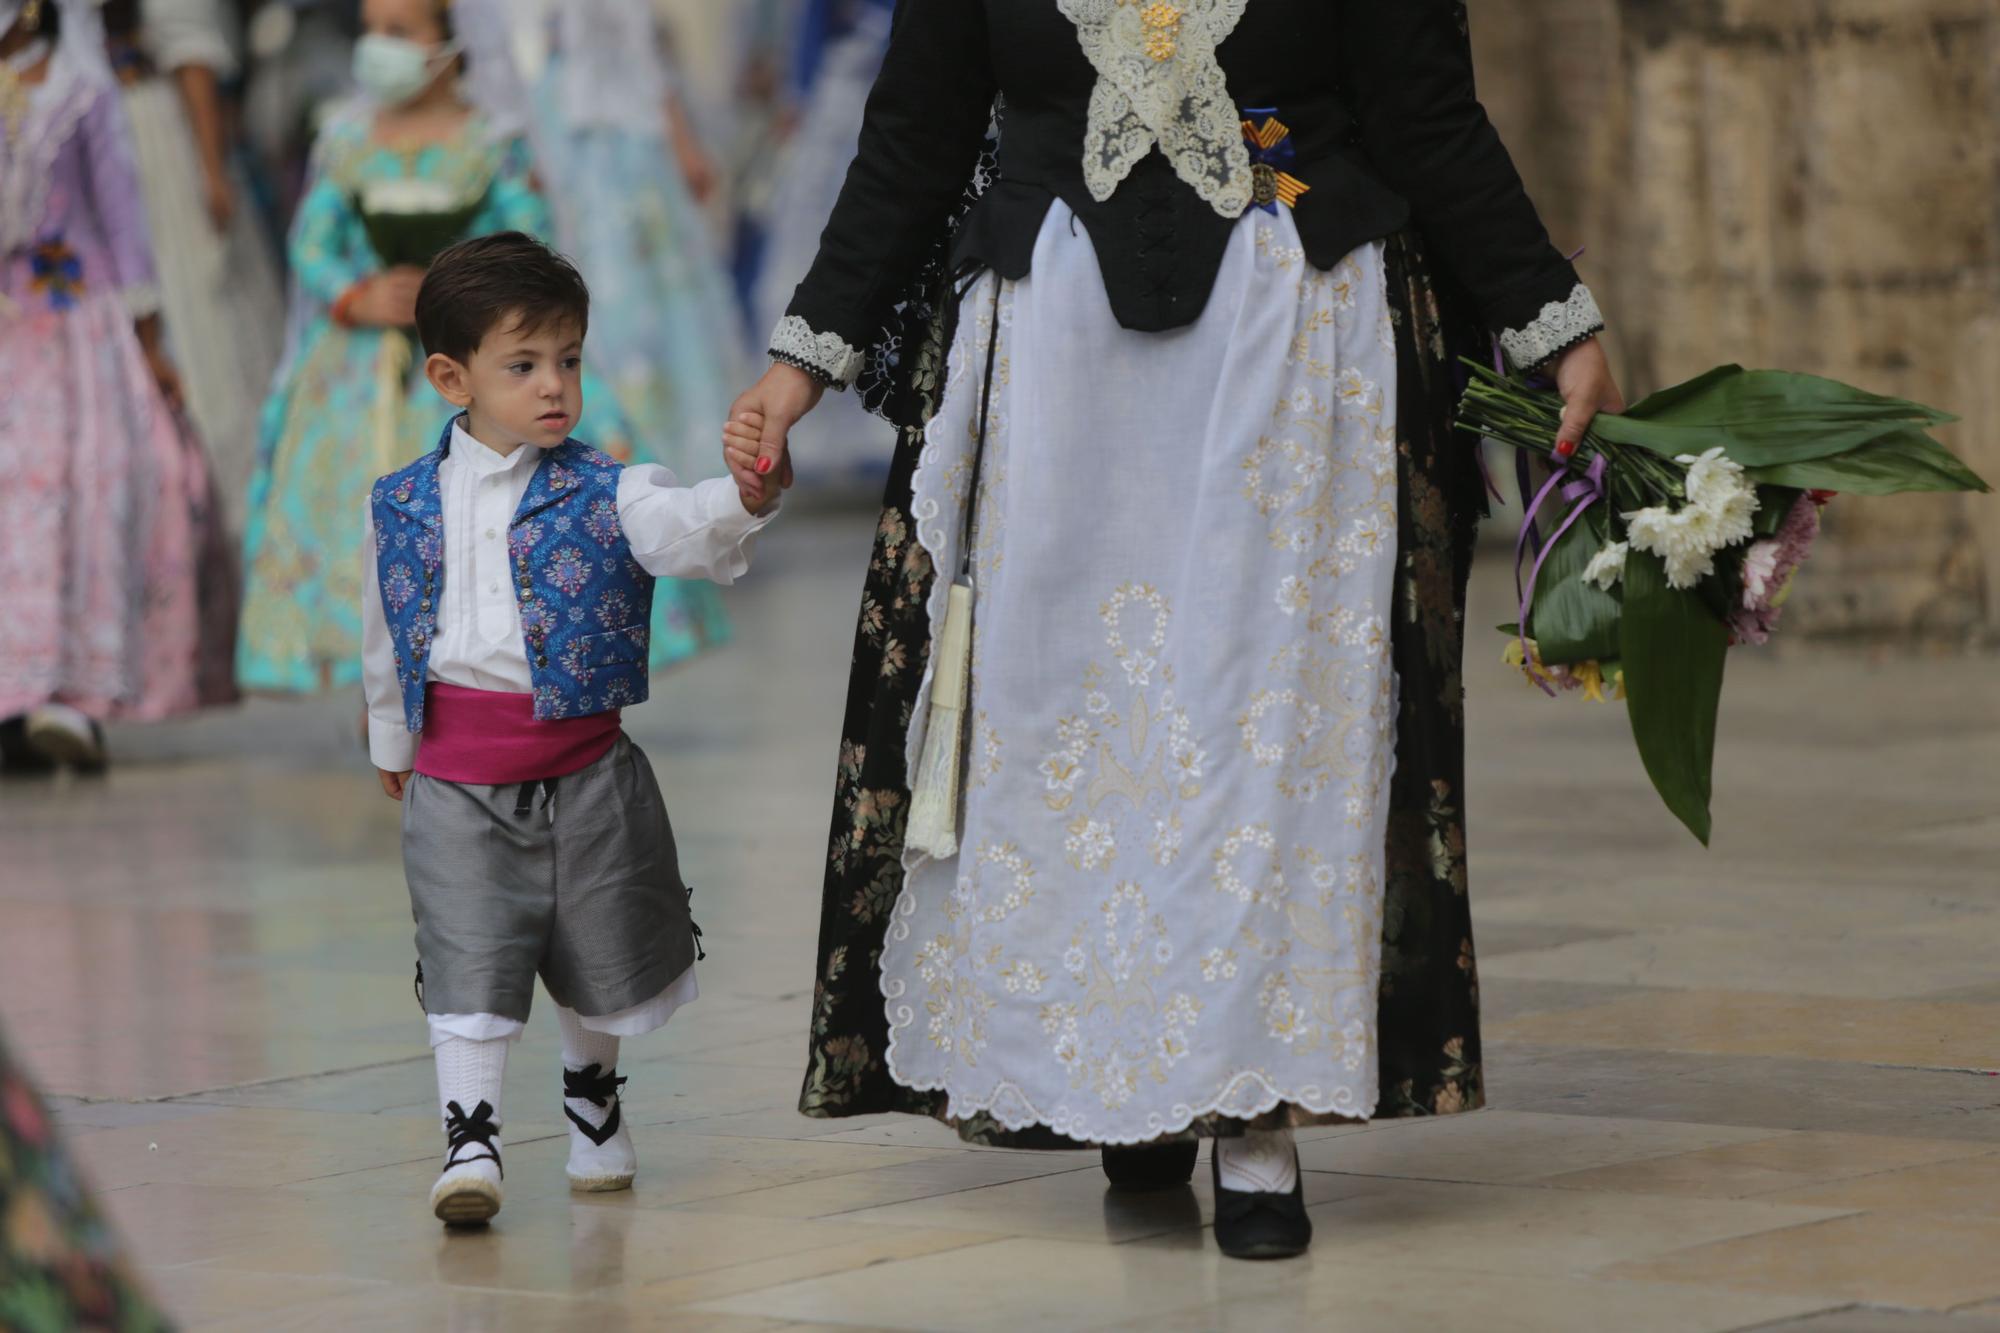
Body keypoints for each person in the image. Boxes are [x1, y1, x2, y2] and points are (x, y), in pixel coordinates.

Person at [726, 0, 1626, 1260]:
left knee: (1252, 732)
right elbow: (914, 138)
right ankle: (1120, 1079)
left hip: (1291, 355)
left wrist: (1551, 319)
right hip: (1051, 366)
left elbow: (1427, 118)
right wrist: (800, 362)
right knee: (1066, 735)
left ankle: (1249, 1108)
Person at [363, 232, 777, 1226]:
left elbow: (683, 525)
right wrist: (390, 737)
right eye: (523, 365)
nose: (554, 386)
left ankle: (592, 1104)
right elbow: (384, 625)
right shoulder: (401, 502)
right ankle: (471, 1142)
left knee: (596, 949)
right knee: (466, 950)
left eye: (568, 360)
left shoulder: (610, 488)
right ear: (449, 376)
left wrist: (743, 496)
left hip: (588, 771)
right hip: (457, 774)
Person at [238, 0, 702, 699]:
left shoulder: (493, 143)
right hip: (361, 369)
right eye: (372, 33)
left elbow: (529, 239)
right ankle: (386, 681)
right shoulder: (346, 140)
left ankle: (483, 664)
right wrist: (355, 295)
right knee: (364, 520)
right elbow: (312, 240)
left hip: (472, 361)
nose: (379, 49)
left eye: (401, 33)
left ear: (450, 43)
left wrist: (459, 293)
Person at [0, 0, 233, 775]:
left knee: (80, 491)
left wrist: (148, 332)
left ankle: (64, 693)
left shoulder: (80, 91)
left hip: (72, 326)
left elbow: (121, 212)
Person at [108, 0, 285, 525]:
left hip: (158, 145)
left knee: (206, 319)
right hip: (100, 144)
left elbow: (192, 55)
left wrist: (210, 168)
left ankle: (232, 506)